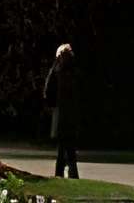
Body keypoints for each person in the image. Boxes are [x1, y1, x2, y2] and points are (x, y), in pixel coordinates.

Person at [43, 41, 80, 181]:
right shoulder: (73, 72)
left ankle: (61, 173)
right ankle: (71, 174)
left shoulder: (57, 70)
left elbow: (48, 90)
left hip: (62, 111)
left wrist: (49, 105)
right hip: (69, 112)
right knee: (68, 146)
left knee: (63, 145)